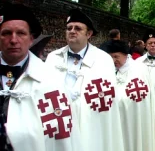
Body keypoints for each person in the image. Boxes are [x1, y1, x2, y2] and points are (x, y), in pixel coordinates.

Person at [0, 4, 81, 151]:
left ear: (31, 39)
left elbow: (63, 141)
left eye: (21, 33)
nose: (13, 40)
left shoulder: (51, 81)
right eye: (6, 33)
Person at [45, 9, 124, 151]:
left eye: (78, 28)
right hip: (60, 125)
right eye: (69, 28)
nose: (72, 31)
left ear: (89, 34)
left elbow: (108, 99)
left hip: (92, 125)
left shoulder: (103, 59)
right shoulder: (52, 58)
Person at [103, 40, 155, 150]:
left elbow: (140, 97)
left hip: (133, 117)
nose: (113, 60)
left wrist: (118, 101)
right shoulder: (105, 69)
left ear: (125, 55)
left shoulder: (139, 69)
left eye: (116, 56)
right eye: (110, 57)